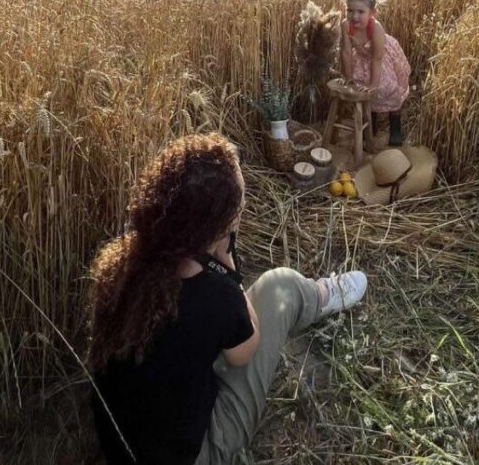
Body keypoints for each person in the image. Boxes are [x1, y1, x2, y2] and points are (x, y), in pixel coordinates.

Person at [85, 132, 368, 464]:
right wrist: (228, 268)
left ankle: (316, 295)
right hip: (192, 455)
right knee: (280, 285)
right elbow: (244, 353)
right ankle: (321, 296)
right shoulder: (215, 294)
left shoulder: (121, 262)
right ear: (217, 227)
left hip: (120, 444)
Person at [339, 0, 412, 146]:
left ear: (372, 13)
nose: (354, 16)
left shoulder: (376, 28)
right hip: (362, 59)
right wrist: (349, 78)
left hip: (382, 58)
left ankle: (395, 125)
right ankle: (370, 125)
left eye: (360, 12)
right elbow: (345, 52)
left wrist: (373, 84)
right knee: (360, 86)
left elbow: (377, 59)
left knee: (389, 88)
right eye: (350, 10)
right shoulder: (345, 25)